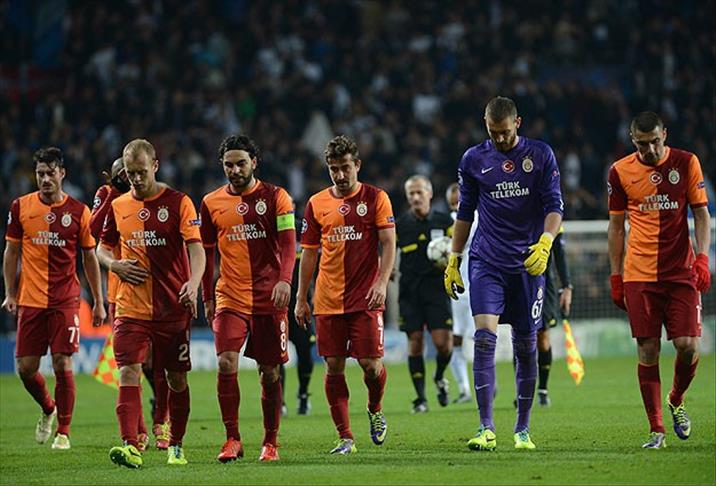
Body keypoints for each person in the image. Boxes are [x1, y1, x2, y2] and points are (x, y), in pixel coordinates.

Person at [444, 96, 564, 451]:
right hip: (487, 262)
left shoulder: (540, 155)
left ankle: (522, 429)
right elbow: (465, 212)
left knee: (526, 345)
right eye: (493, 132)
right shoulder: (473, 159)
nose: (499, 139)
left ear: (518, 123)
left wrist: (546, 242)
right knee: (484, 339)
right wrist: (454, 259)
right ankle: (486, 428)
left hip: (528, 263)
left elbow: (554, 206)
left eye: (505, 132)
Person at [97, 139, 205, 468]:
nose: (136, 179)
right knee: (128, 371)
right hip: (130, 307)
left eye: (141, 172)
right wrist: (114, 265)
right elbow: (101, 248)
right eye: (130, 173)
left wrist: (194, 283)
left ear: (155, 166)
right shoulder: (118, 206)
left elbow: (196, 248)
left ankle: (176, 445)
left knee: (176, 379)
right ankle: (131, 445)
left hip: (171, 307)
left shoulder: (179, 202)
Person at [607, 111, 711, 449]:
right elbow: (616, 227)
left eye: (654, 141)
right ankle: (657, 430)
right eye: (642, 144)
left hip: (680, 271)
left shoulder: (686, 162)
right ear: (632, 140)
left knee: (688, 345)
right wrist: (616, 275)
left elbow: (701, 214)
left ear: (664, 134)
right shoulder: (620, 171)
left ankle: (676, 398)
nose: (650, 149)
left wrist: (703, 257)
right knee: (647, 348)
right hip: (639, 273)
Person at [295, 135, 396, 455]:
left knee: (371, 365)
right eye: (333, 169)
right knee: (334, 365)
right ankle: (345, 437)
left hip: (366, 297)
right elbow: (309, 253)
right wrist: (301, 297)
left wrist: (382, 283)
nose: (339, 175)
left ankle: (375, 408)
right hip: (328, 299)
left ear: (358, 165)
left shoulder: (376, 198)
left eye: (345, 168)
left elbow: (389, 243)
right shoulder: (316, 203)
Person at [200, 134, 296, 462]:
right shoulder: (211, 202)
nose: (235, 170)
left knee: (269, 372)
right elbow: (207, 252)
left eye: (241, 163)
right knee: (226, 362)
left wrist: (285, 281)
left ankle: (270, 442)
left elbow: (288, 244)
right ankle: (232, 439)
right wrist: (207, 295)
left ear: (254, 162)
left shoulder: (277, 197)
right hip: (230, 296)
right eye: (229, 165)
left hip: (270, 297)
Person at [2, 147, 106, 450]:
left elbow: (89, 258)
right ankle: (48, 407)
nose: (45, 179)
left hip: (65, 299)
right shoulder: (21, 207)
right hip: (31, 298)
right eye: (40, 174)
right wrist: (10, 292)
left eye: (50, 173)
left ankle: (63, 432)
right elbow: (11, 252)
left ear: (62, 173)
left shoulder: (79, 211)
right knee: (25, 369)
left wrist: (98, 301)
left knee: (62, 361)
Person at [89, 158, 170, 451]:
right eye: (122, 173)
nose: (128, 177)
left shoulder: (155, 196)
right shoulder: (107, 195)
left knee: (157, 363)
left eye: (133, 172)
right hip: (120, 295)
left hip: (155, 292)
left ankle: (162, 420)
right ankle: (139, 431)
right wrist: (113, 190)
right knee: (131, 365)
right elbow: (92, 230)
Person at [396, 175, 454, 412]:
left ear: (430, 193)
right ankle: (420, 399)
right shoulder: (401, 225)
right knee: (415, 342)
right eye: (411, 193)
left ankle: (439, 376)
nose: (416, 197)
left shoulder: (444, 221)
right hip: (410, 292)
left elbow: (460, 248)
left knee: (443, 345)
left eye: (420, 192)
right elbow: (387, 248)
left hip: (437, 290)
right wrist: (387, 269)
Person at [511, 226, 573, 408]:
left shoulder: (552, 220)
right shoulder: (515, 217)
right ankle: (522, 390)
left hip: (544, 284)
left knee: (542, 338)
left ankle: (542, 390)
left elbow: (559, 254)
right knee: (521, 336)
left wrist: (566, 287)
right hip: (518, 280)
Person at [279, 214, 317, 417]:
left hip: (301, 304)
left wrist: (317, 290)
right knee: (276, 355)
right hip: (277, 303)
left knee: (305, 352)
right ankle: (279, 401)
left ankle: (303, 393)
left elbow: (318, 261)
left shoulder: (305, 230)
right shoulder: (269, 230)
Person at [445, 182, 475, 404]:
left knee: (482, 338)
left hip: (477, 288)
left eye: (460, 199)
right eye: (454, 200)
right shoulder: (445, 222)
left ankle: (487, 382)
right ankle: (464, 389)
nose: (457, 203)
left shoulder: (479, 218)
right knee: (454, 340)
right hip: (454, 290)